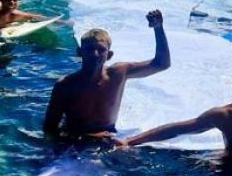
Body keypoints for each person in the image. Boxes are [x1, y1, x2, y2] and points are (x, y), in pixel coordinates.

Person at [43, 11, 170, 139]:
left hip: (108, 136)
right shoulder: (65, 85)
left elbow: (162, 64)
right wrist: (91, 136)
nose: (95, 54)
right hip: (74, 141)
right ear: (80, 52)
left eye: (101, 50)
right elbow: (49, 129)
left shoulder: (118, 73)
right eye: (89, 49)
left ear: (109, 55)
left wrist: (158, 28)